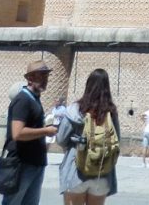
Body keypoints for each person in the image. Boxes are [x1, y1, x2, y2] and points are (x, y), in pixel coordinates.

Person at [55, 68, 120, 205]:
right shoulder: (111, 112)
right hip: (101, 173)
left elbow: (61, 139)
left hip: (76, 169)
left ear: (88, 85)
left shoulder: (76, 109)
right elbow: (117, 140)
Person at [1, 60, 58, 205]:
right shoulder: (23, 100)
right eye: (41, 75)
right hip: (22, 164)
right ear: (30, 78)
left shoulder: (34, 99)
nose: (45, 79)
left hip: (35, 163)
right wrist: (46, 131)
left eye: (46, 76)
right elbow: (17, 133)